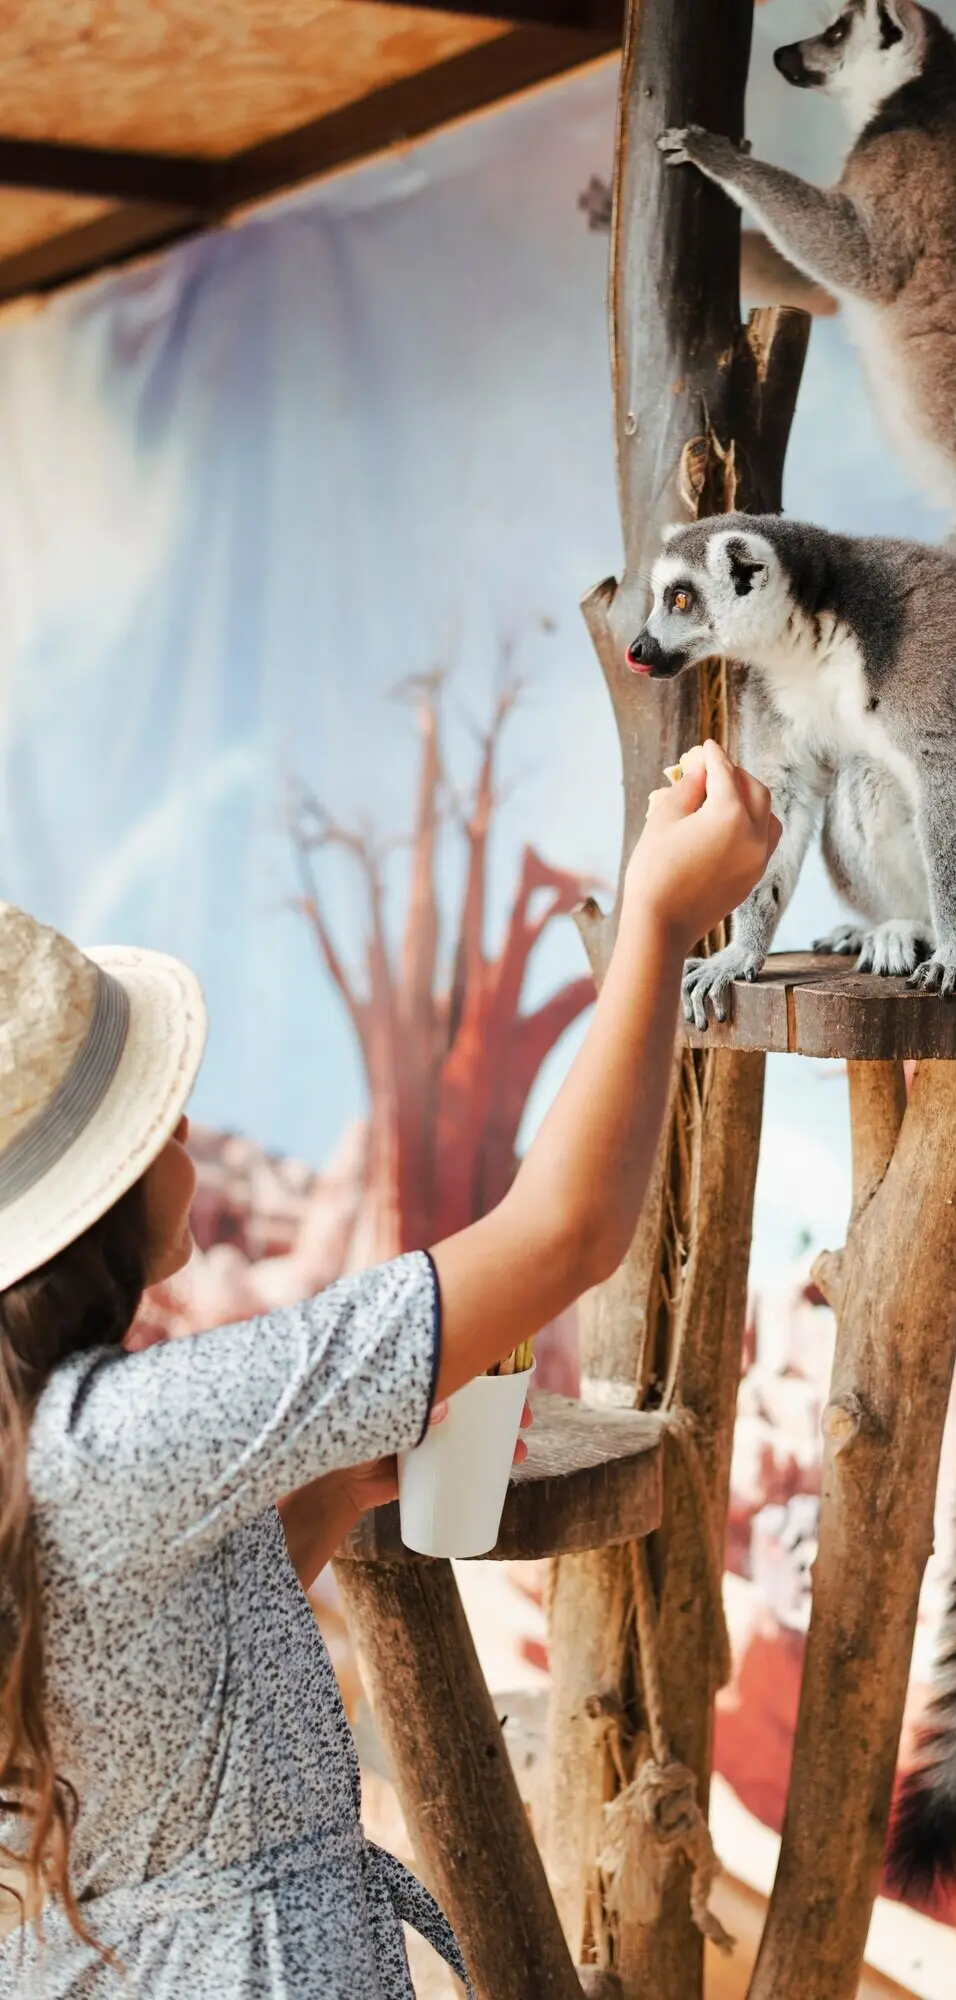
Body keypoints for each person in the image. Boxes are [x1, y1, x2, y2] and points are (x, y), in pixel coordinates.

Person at [0, 742, 779, 1999]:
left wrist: (320, 1500)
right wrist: (659, 919)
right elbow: (563, 1233)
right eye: (158, 1123)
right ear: (90, 1214)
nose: (190, 1133)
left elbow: (148, 1696)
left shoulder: (40, 1442)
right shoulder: (132, 1428)